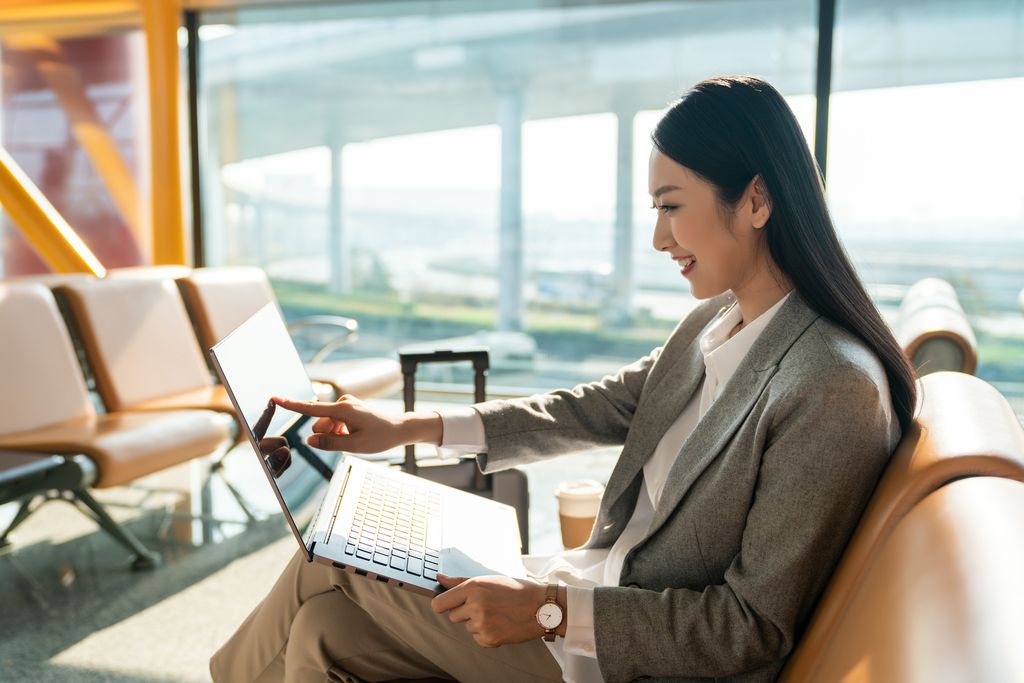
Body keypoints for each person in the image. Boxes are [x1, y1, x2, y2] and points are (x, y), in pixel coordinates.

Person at [210, 75, 916, 683]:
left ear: (757, 200)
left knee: (326, 565)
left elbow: (750, 627)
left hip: (623, 655)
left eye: (671, 205)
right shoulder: (720, 320)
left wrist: (547, 609)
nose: (659, 239)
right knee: (323, 633)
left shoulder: (830, 385)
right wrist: (410, 426)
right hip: (586, 592)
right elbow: (595, 407)